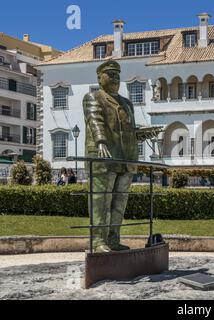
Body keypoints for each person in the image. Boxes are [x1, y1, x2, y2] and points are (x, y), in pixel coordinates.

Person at [83, 59, 139, 253]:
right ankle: (98, 241)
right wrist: (100, 141)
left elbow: (128, 129)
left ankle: (114, 239)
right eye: (111, 74)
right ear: (100, 78)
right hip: (103, 158)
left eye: (117, 75)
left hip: (125, 159)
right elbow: (94, 119)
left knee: (119, 202)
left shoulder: (127, 103)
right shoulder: (93, 97)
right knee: (101, 200)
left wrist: (141, 133)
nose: (115, 78)